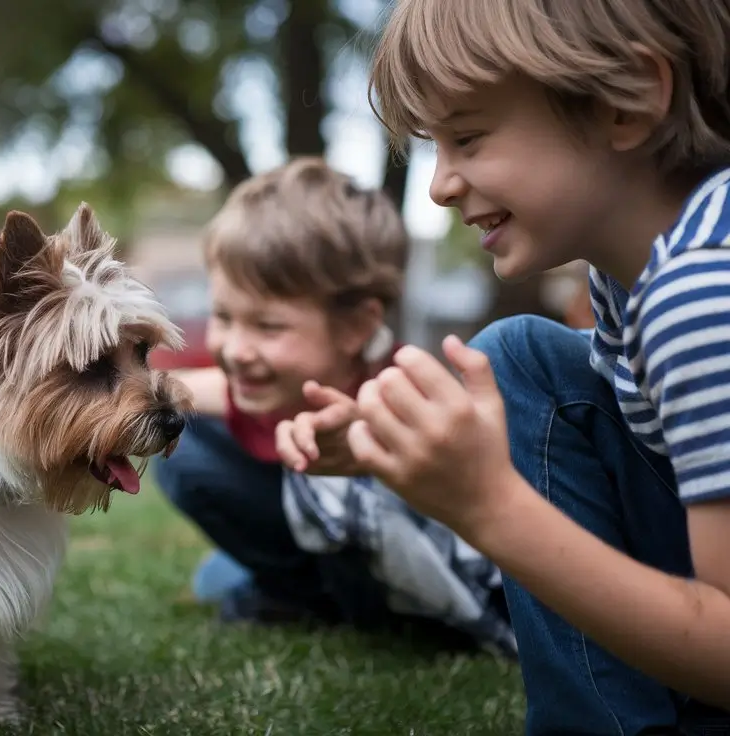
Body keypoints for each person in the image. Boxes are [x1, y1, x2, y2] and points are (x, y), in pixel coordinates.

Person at [341, 0, 730, 731]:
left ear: (625, 102)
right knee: (522, 360)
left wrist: (490, 507)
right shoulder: (634, 276)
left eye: (469, 138)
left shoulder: (702, 294)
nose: (439, 185)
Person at [154, 157, 515, 654]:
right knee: (183, 434)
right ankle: (296, 591)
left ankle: (324, 603)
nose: (236, 347)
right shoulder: (272, 379)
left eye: (268, 326)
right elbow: (197, 387)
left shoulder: (397, 392)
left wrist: (363, 444)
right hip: (319, 542)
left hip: (395, 568)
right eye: (224, 316)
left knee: (263, 527)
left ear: (356, 327)